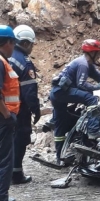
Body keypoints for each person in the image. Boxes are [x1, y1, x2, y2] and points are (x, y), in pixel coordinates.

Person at [50, 39, 100, 164]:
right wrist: (98, 88)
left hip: (57, 94)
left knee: (60, 126)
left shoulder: (87, 64)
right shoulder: (83, 64)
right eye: (97, 53)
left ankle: (60, 159)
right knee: (92, 99)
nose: (99, 56)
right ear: (92, 53)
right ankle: (93, 130)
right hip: (61, 92)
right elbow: (81, 84)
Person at [9, 25, 40, 184]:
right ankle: (16, 174)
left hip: (6, 108)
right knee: (20, 139)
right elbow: (29, 91)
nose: (32, 48)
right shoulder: (24, 62)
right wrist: (36, 109)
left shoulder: (7, 56)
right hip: (19, 109)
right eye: (32, 44)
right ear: (26, 43)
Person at [0, 25, 20, 201]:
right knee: (5, 161)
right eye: (13, 43)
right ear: (6, 43)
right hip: (3, 119)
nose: (14, 47)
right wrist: (7, 115)